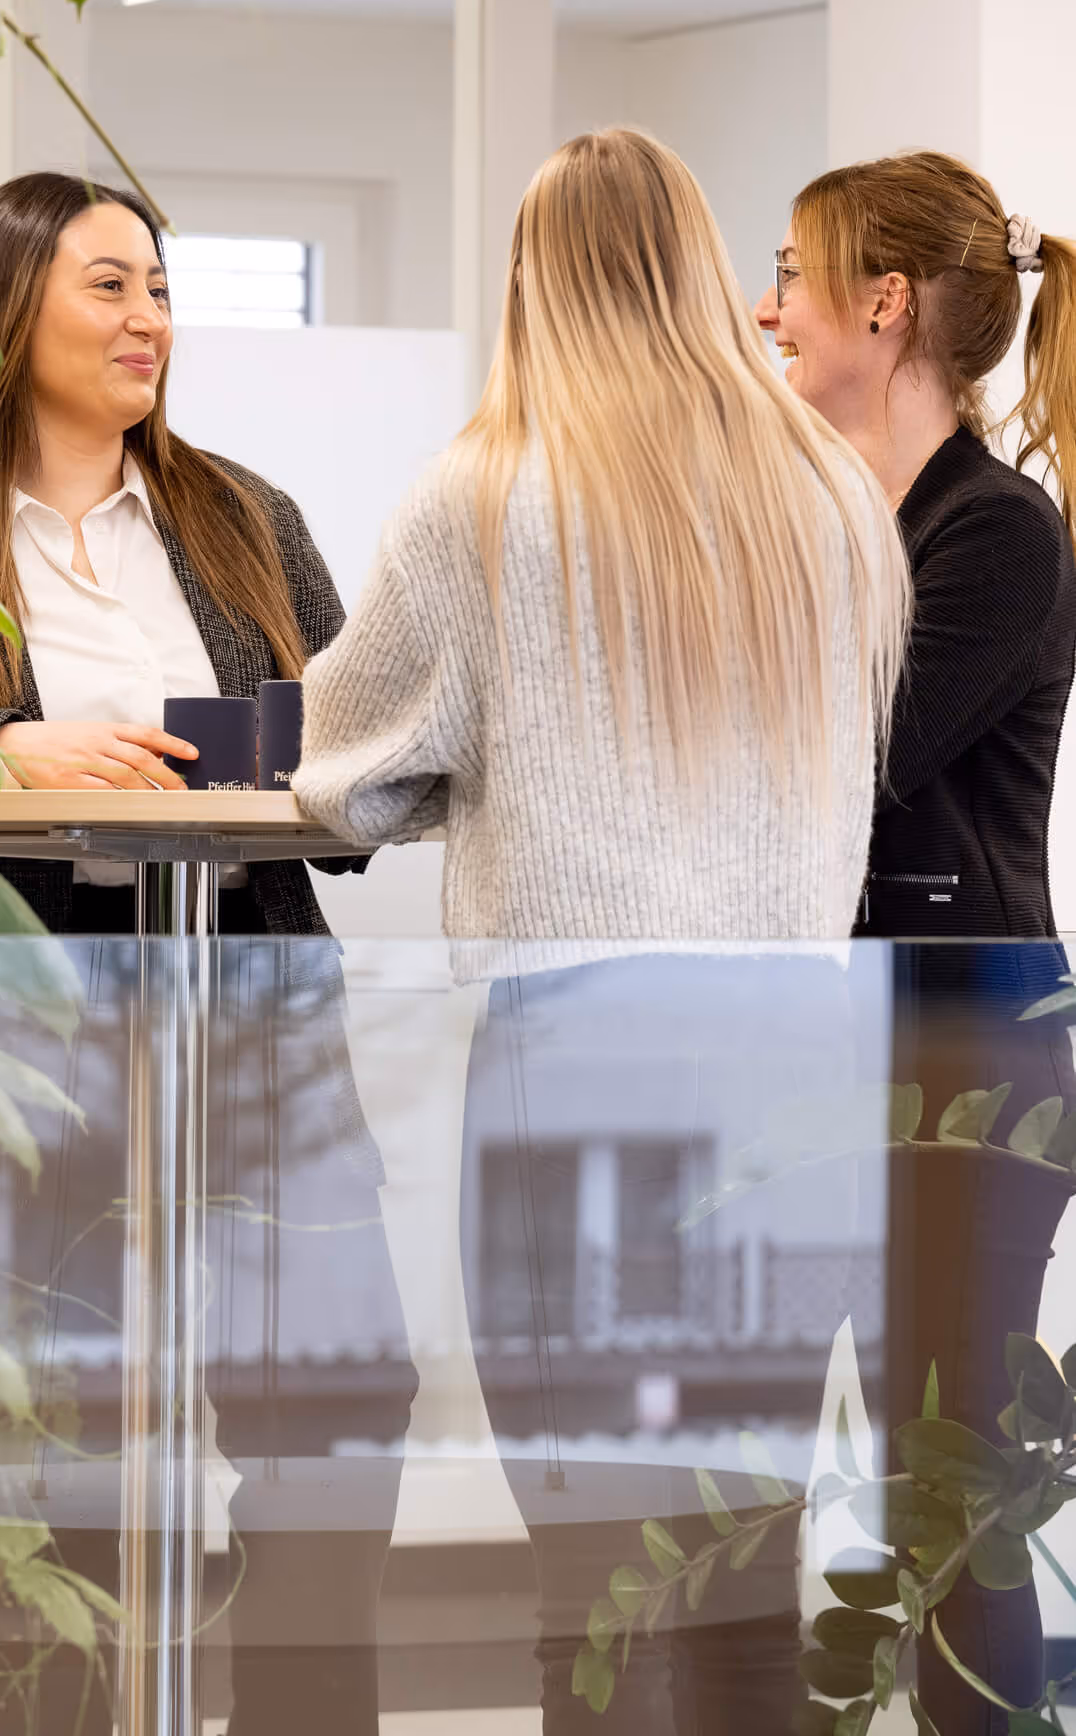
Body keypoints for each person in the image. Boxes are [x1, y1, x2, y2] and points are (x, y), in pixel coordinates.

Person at [0, 171, 414, 1736]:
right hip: (17, 1048)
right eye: (109, 288)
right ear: (3, 310)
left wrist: (293, 778)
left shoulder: (247, 517)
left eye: (163, 291)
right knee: (42, 1453)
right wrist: (7, 753)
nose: (150, 322)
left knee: (340, 1408)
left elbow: (351, 768)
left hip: (254, 1027)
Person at [294, 128, 912, 1730]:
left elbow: (345, 777)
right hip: (801, 1060)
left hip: (582, 1065)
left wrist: (473, 786)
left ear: (533, 281)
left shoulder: (487, 496)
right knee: (751, 1544)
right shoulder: (835, 497)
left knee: (593, 1565)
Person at [755, 151, 1076, 1733]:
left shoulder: (995, 536)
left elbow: (843, 765)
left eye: (793, 283)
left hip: (964, 1062)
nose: (766, 314)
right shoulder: (839, 520)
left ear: (882, 307)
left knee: (945, 1497)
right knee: (822, 1472)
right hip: (833, 1054)